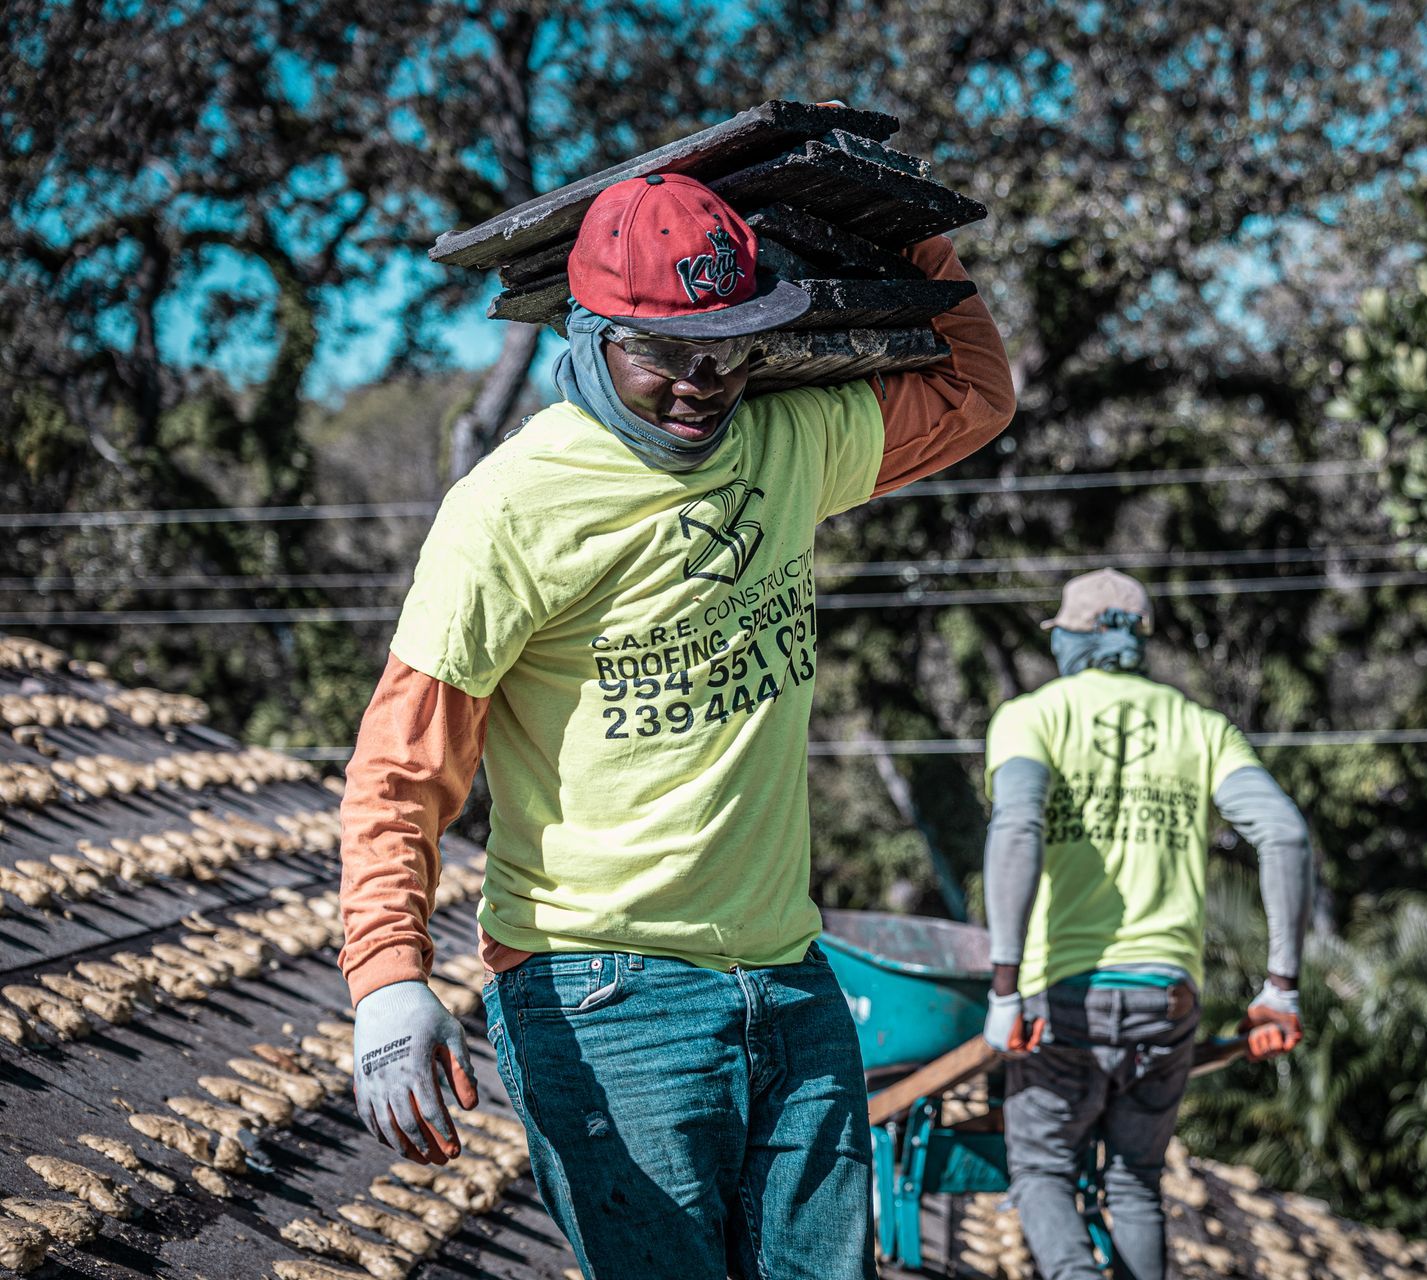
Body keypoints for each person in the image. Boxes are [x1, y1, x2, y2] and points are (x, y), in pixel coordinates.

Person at [336, 170, 1015, 1279]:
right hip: (604, 997)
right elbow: (402, 766)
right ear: (590, 333)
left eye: (734, 347)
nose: (707, 383)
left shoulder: (790, 438)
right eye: (667, 355)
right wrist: (387, 977)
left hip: (793, 977)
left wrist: (917, 242)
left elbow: (973, 398)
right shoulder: (509, 510)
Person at [980, 568, 1313, 1280]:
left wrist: (1004, 989)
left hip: (1061, 1000)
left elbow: (1017, 825)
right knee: (1133, 1181)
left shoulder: (1032, 716)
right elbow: (1283, 834)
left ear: (1078, 636)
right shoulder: (1199, 727)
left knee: (1040, 1172)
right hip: (1167, 1003)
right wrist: (1280, 986)